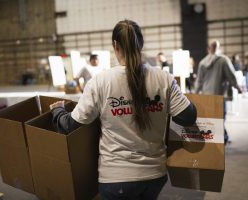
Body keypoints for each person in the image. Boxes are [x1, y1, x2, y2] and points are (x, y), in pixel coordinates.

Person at [49, 20, 197, 200]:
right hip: (155, 175)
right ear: (140, 44)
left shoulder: (100, 81)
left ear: (115, 45)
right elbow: (188, 117)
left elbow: (71, 125)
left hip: (116, 178)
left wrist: (57, 111)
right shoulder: (163, 78)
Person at [195, 40, 241, 144]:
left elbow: (199, 80)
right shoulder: (224, 60)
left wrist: (195, 93)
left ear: (208, 48)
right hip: (219, 95)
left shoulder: (202, 62)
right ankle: (222, 138)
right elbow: (231, 76)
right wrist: (237, 87)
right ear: (218, 48)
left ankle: (220, 137)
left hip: (207, 95)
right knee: (221, 117)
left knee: (211, 117)